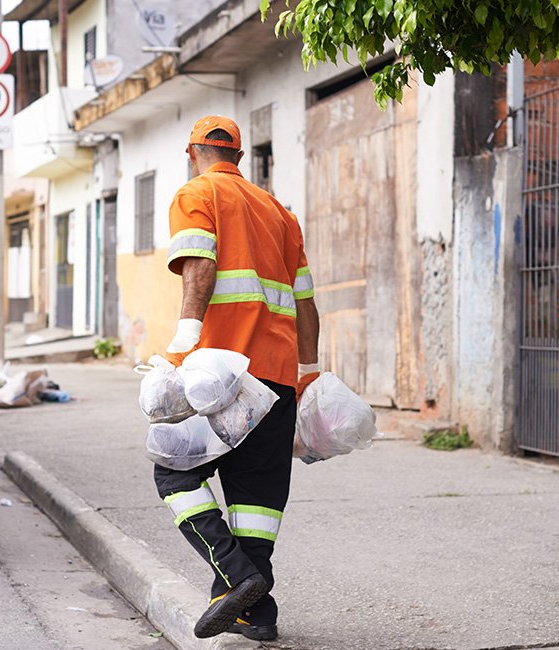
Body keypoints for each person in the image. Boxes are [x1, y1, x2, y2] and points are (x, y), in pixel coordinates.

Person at [155, 115, 321, 641]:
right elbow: (305, 301)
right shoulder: (280, 213)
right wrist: (309, 372)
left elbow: (199, 265)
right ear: (241, 158)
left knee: (174, 473)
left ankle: (236, 575)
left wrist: (184, 340)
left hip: (218, 375)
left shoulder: (196, 193)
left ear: (191, 153)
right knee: (257, 498)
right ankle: (256, 612)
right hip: (277, 378)